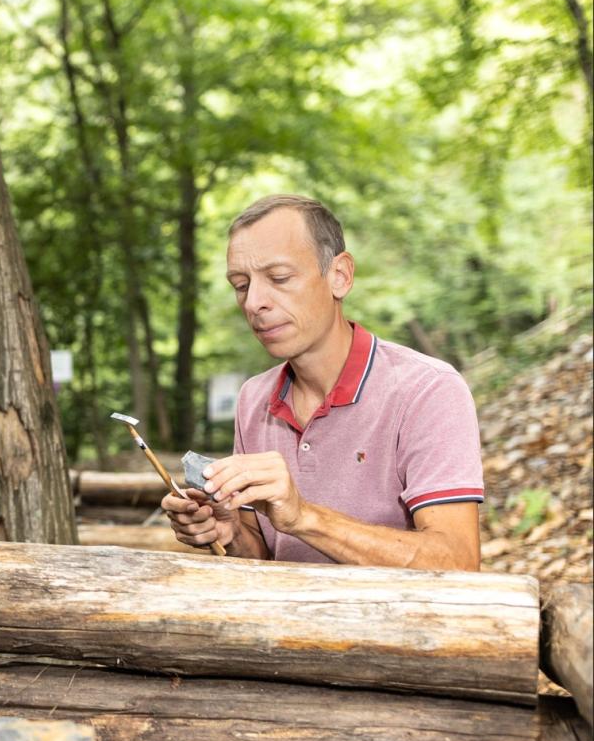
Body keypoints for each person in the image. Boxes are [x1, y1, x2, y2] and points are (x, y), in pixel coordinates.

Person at [162, 194, 483, 568]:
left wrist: (305, 517)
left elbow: (458, 562)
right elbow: (265, 557)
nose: (254, 303)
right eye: (241, 285)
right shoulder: (254, 399)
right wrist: (229, 535)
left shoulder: (428, 390)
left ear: (339, 277)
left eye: (279, 278)